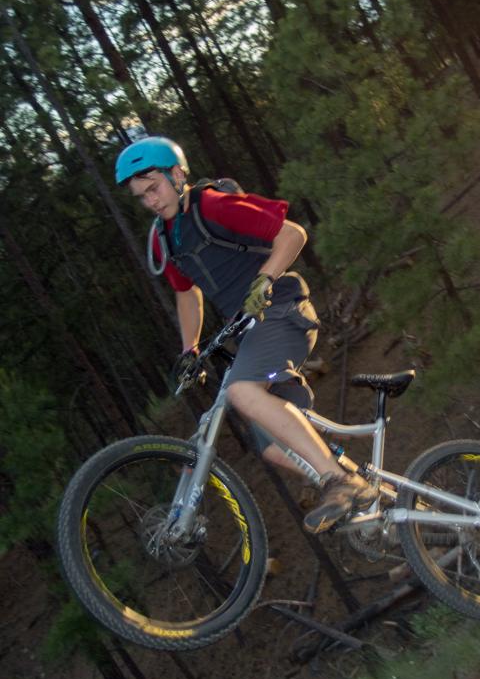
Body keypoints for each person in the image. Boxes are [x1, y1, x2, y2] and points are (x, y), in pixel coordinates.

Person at [114, 135, 374, 534]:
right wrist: (189, 349)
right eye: (142, 196)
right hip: (252, 332)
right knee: (275, 447)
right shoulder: (163, 238)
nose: (151, 201)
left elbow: (293, 234)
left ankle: (339, 482)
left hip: (284, 309)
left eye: (154, 187)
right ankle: (372, 491)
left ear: (177, 174)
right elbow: (186, 293)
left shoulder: (212, 205)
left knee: (242, 391)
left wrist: (265, 279)